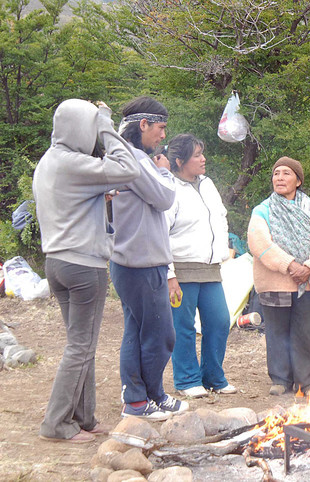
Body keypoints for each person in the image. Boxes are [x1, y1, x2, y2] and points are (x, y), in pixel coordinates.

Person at [34, 99, 140, 443]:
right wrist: (106, 124)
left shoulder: (49, 162)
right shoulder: (74, 163)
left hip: (57, 263)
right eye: (90, 127)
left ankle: (84, 416)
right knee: (80, 347)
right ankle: (56, 423)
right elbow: (128, 167)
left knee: (82, 345)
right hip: (83, 265)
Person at [111, 96, 188, 419]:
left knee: (139, 330)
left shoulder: (131, 158)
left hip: (136, 260)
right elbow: (164, 197)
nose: (162, 136)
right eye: (160, 128)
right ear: (142, 125)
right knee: (159, 334)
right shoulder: (135, 161)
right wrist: (165, 173)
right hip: (139, 262)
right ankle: (138, 400)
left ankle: (148, 396)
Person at [247, 157, 310, 395]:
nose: (280, 178)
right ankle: (280, 379)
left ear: (298, 180)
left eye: (286, 173)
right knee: (277, 331)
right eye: (276, 174)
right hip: (275, 281)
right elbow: (259, 242)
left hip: (308, 280)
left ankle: (308, 382)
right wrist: (290, 265)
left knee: (307, 331)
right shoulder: (262, 209)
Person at [165, 134, 236, 398]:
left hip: (210, 269)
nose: (203, 159)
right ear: (180, 160)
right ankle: (186, 380)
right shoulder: (169, 187)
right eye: (197, 155)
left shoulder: (207, 184)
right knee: (182, 326)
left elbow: (220, 216)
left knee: (219, 321)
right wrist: (169, 275)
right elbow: (160, 233)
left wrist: (223, 250)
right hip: (180, 270)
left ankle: (214, 377)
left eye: (202, 153)